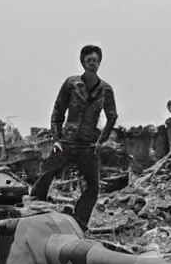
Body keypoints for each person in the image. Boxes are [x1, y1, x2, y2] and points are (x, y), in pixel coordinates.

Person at [30, 45, 118, 231]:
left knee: (93, 189)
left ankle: (79, 224)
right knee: (46, 174)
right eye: (89, 61)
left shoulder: (106, 90)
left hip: (89, 145)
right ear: (83, 63)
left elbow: (112, 116)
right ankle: (32, 212)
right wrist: (56, 138)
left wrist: (101, 142)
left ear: (100, 62)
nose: (92, 64)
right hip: (67, 142)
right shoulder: (71, 83)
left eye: (95, 60)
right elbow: (58, 111)